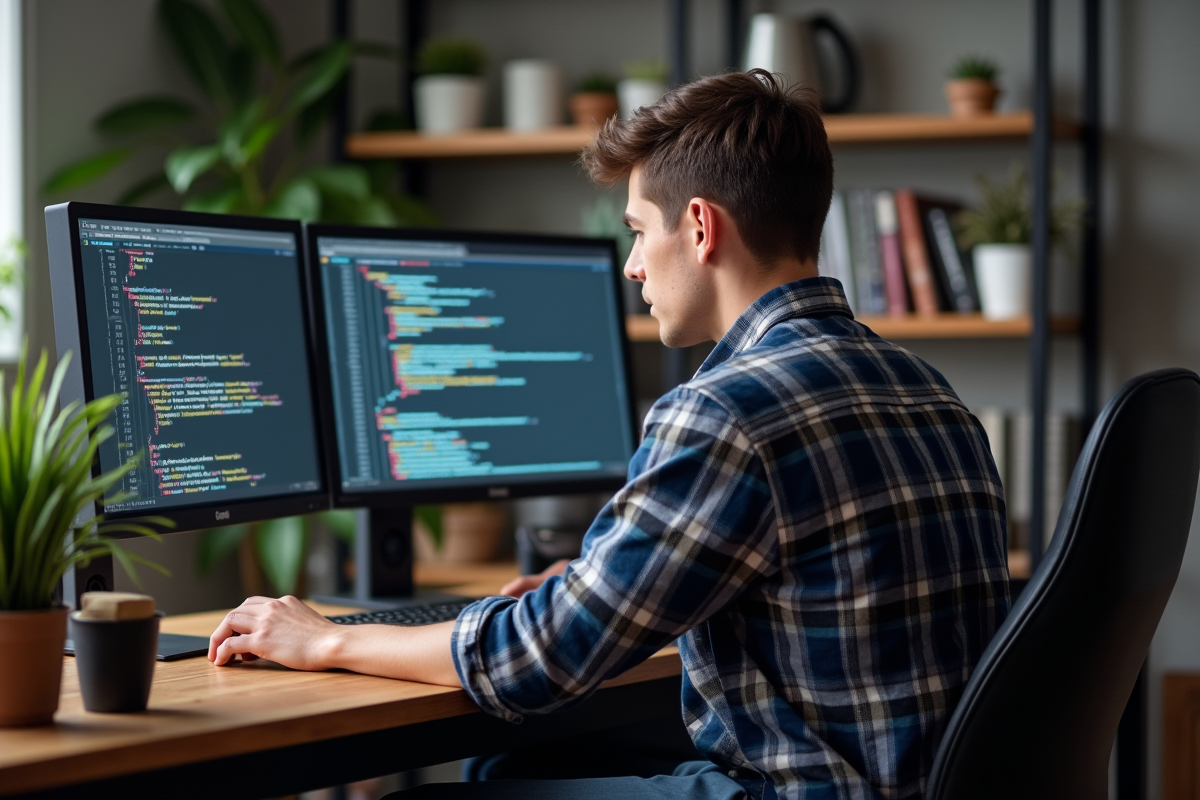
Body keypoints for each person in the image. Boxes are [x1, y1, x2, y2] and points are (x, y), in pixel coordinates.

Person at [208, 69, 1010, 800]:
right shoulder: (925, 389)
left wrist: (324, 642)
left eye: (637, 229)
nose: (631, 265)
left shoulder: (727, 409)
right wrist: (600, 580)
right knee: (511, 768)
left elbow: (537, 662)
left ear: (700, 228)